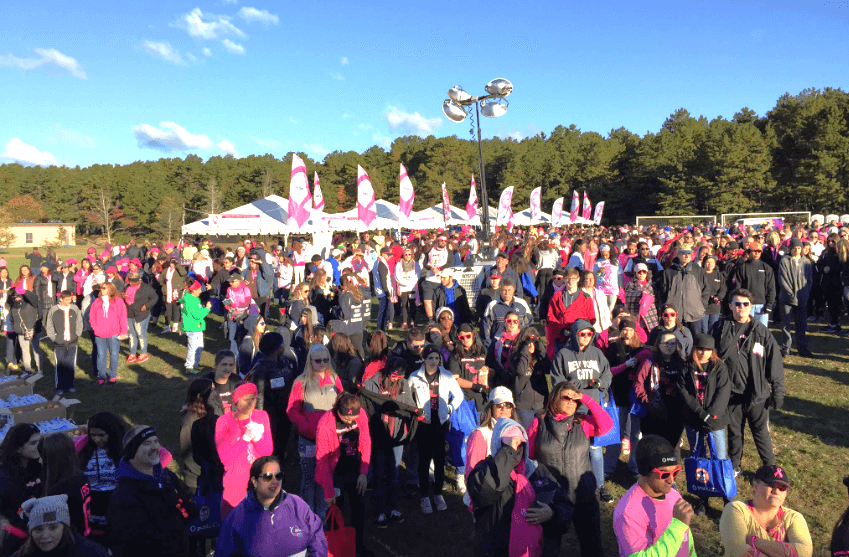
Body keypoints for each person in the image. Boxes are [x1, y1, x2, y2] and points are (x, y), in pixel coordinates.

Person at [526, 381, 613, 556]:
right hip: (551, 495)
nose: (571, 402)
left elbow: (607, 426)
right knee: (549, 547)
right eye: (566, 397)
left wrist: (586, 399)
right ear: (554, 398)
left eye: (575, 400)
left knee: (592, 546)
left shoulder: (582, 422)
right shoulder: (539, 422)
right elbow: (529, 453)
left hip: (583, 494)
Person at [467, 417, 572, 557]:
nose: (517, 449)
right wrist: (508, 454)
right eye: (509, 444)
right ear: (499, 444)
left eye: (521, 443)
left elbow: (565, 506)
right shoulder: (485, 469)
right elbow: (484, 492)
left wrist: (552, 514)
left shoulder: (536, 472)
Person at [712, 289, 785, 476]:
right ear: (730, 306)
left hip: (757, 394)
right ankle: (735, 465)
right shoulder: (720, 327)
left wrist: (778, 390)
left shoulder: (761, 331)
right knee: (735, 433)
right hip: (731, 393)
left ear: (751, 307)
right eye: (737, 304)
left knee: (761, 434)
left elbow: (774, 361)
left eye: (745, 304)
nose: (741, 308)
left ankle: (770, 468)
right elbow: (711, 356)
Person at [550, 319, 614, 504]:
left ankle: (600, 486)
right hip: (572, 409)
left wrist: (599, 384)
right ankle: (570, 485)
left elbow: (607, 375)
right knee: (573, 448)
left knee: (595, 449)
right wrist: (583, 384)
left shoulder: (597, 353)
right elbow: (558, 381)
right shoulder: (563, 354)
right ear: (574, 335)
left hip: (593, 408)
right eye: (582, 334)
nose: (586, 337)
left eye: (589, 334)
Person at [108, 425, 197, 557]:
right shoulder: (123, 495)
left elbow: (190, 510)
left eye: (156, 441)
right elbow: (126, 544)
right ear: (132, 451)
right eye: (147, 443)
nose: (155, 447)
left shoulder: (167, 476)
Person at [214, 455, 326, 557]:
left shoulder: (298, 505)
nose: (274, 481)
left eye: (278, 476)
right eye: (268, 477)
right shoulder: (237, 519)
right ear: (255, 481)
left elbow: (317, 537)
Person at [613, 434, 696, 557]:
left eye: (676, 472)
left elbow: (686, 540)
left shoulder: (673, 495)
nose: (672, 480)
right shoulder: (628, 513)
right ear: (645, 472)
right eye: (664, 474)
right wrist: (678, 526)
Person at [676, 333, 731, 516]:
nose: (703, 353)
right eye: (700, 349)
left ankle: (726, 497)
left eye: (707, 350)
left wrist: (711, 416)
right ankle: (702, 498)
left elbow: (723, 394)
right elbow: (685, 394)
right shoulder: (686, 367)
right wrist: (701, 415)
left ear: (712, 351)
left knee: (720, 458)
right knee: (698, 457)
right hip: (694, 419)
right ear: (694, 349)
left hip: (715, 421)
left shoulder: (720, 368)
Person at [286, 344, 344, 518]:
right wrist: (306, 425)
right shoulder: (301, 382)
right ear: (310, 361)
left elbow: (343, 405)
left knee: (326, 480)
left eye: (326, 360)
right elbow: (292, 410)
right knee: (309, 479)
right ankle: (308, 518)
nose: (322, 363)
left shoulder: (335, 379)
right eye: (318, 360)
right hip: (308, 439)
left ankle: (323, 517)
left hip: (330, 441)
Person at [361, 357, 418, 528]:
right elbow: (365, 409)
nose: (396, 380)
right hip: (378, 435)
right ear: (387, 372)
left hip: (397, 435)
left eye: (400, 377)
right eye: (394, 376)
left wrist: (403, 409)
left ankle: (393, 508)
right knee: (379, 474)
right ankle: (379, 511)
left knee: (394, 474)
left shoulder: (404, 384)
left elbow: (409, 405)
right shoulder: (371, 384)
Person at [316, 392, 372, 557]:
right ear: (338, 411)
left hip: (355, 467)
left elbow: (366, 442)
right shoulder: (325, 424)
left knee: (358, 509)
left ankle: (358, 547)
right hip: (336, 472)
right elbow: (322, 460)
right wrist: (328, 490)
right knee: (336, 511)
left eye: (353, 419)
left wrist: (363, 472)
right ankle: (337, 549)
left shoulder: (360, 413)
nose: (351, 422)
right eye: (347, 419)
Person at [409, 345, 464, 514]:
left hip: (440, 423)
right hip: (423, 424)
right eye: (430, 358)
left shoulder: (446, 376)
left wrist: (449, 408)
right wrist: (415, 410)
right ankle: (425, 495)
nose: (434, 361)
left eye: (437, 358)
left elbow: (459, 395)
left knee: (440, 460)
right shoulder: (415, 377)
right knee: (424, 460)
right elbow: (407, 396)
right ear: (424, 359)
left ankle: (438, 493)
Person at [719, 465, 813, 557]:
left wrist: (755, 542)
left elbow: (804, 552)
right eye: (771, 485)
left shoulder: (793, 518)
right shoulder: (737, 509)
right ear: (755, 486)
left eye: (782, 488)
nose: (776, 492)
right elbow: (737, 551)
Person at [215, 382, 273, 519]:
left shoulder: (261, 416)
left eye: (254, 398)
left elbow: (267, 452)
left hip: (260, 481)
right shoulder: (224, 422)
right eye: (246, 400)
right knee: (234, 526)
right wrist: (245, 439)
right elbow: (226, 459)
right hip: (236, 484)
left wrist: (257, 439)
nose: (251, 403)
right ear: (236, 401)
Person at [246, 332, 298, 460]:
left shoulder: (284, 362)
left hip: (285, 411)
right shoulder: (261, 369)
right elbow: (258, 395)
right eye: (282, 344)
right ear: (276, 347)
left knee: (283, 441)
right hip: (270, 415)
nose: (284, 346)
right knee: (272, 445)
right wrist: (259, 418)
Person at [76, 412, 124, 545]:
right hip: (93, 511)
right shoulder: (85, 451)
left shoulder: (123, 451)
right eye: (93, 435)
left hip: (118, 507)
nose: (97, 439)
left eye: (101, 435)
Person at [12, 495, 108, 557]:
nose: (45, 535)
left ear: (64, 527)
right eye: (38, 529)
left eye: (53, 528)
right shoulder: (23, 554)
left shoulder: (92, 553)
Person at [0, 424, 43, 554]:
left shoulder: (39, 467)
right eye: (33, 443)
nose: (39, 446)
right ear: (18, 448)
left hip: (41, 532)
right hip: (16, 538)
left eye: (40, 442)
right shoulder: (4, 475)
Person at [544, 268, 595, 358]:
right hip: (561, 336)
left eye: (573, 279)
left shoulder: (586, 298)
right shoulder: (557, 296)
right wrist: (561, 328)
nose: (570, 281)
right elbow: (551, 316)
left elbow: (591, 318)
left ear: (578, 279)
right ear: (564, 279)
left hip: (580, 337)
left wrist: (580, 329)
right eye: (568, 279)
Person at [506, 327, 549, 429]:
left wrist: (539, 345)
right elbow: (521, 371)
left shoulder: (539, 358)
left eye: (533, 342)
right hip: (523, 405)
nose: (531, 345)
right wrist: (525, 349)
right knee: (526, 435)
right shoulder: (516, 356)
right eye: (528, 342)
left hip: (540, 403)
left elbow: (548, 369)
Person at [778, 237, 814, 357]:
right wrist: (791, 295)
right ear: (790, 249)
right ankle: (785, 348)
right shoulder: (785, 261)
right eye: (794, 248)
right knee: (786, 325)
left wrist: (805, 293)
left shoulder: (807, 263)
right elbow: (783, 280)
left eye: (799, 248)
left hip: (802, 298)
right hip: (786, 299)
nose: (797, 251)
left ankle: (802, 348)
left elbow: (809, 280)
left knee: (801, 324)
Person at [44, 291, 83, 395]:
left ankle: (70, 384)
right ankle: (60, 386)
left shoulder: (74, 309)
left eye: (70, 299)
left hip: (72, 342)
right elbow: (49, 326)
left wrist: (76, 335)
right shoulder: (53, 310)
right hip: (59, 343)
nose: (69, 301)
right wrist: (55, 338)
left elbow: (79, 322)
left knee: (70, 364)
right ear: (61, 299)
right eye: (66, 299)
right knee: (60, 364)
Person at [88, 282, 127, 385]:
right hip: (100, 334)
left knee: (114, 355)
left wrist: (123, 332)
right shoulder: (97, 301)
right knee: (101, 355)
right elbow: (91, 316)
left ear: (111, 289)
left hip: (114, 333)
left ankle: (112, 375)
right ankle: (101, 376)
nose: (102, 290)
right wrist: (95, 328)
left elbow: (122, 316)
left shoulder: (117, 301)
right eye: (101, 288)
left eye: (104, 288)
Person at [731, 242, 776, 328]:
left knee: (761, 331)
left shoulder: (766, 268)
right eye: (754, 251)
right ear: (749, 252)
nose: (757, 253)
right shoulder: (742, 268)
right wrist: (740, 303)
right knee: (745, 329)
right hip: (746, 304)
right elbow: (737, 287)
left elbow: (771, 288)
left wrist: (769, 305)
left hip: (762, 305)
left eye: (759, 251)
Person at [481, 278, 533, 349]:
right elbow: (485, 328)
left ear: (514, 290)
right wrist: (489, 346)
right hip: (498, 345)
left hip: (519, 345)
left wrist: (528, 342)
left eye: (509, 290)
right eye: (504, 290)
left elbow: (530, 325)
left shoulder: (522, 304)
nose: (507, 293)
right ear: (500, 290)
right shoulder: (492, 305)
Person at [8, 287, 44, 377]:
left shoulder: (30, 304)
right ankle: (28, 370)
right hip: (21, 332)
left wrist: (25, 291)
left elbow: (35, 298)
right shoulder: (13, 307)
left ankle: (39, 369)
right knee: (25, 351)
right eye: (15, 297)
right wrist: (16, 328)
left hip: (34, 330)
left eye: (19, 297)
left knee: (35, 349)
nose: (17, 299)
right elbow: (12, 320)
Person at [122, 272, 156, 364]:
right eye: (130, 281)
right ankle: (132, 353)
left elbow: (154, 298)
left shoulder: (146, 288)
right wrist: (123, 297)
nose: (132, 283)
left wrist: (146, 305)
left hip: (142, 314)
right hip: (130, 313)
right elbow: (123, 296)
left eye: (134, 282)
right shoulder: (127, 287)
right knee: (131, 335)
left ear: (139, 280)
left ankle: (143, 353)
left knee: (141, 334)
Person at [181, 280, 212, 373]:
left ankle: (195, 364)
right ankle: (189, 366)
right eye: (199, 289)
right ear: (194, 290)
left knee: (200, 346)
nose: (201, 291)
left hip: (197, 327)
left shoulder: (194, 298)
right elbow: (197, 315)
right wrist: (207, 308)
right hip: (192, 327)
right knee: (193, 348)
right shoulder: (191, 301)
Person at [158, 258, 186, 333]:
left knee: (176, 308)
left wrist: (178, 266)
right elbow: (160, 279)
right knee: (167, 309)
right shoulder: (166, 270)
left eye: (173, 263)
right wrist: (163, 282)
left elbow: (184, 273)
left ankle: (175, 324)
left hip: (176, 291)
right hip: (167, 292)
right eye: (171, 263)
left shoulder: (179, 270)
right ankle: (167, 326)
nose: (172, 265)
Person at [394, 247, 420, 329]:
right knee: (404, 304)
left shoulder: (415, 264)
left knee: (412, 305)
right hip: (403, 287)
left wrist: (410, 282)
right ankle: (404, 322)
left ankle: (412, 321)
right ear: (403, 255)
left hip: (412, 287)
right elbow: (397, 275)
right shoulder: (399, 264)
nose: (408, 256)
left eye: (409, 254)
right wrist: (404, 283)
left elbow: (417, 274)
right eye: (406, 254)